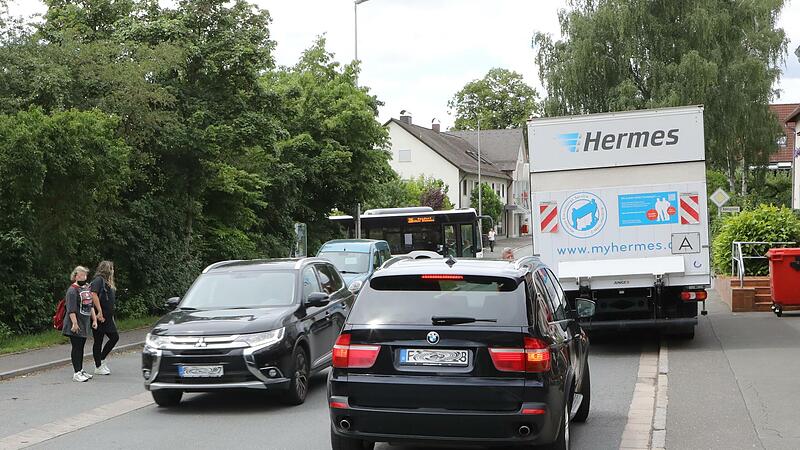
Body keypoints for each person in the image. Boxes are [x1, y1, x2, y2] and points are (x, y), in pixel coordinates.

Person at [62, 266, 97, 382]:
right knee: (76, 347)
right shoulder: (72, 291)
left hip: (84, 322)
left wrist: (94, 320)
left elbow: (90, 305)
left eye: (85, 275)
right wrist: (75, 323)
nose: (84, 277)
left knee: (81, 347)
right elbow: (70, 309)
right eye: (81, 275)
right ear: (75, 276)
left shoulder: (86, 289)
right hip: (75, 323)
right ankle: (76, 372)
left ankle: (81, 370)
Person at [91, 260, 119, 375]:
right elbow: (93, 294)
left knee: (114, 337)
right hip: (99, 316)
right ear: (107, 270)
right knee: (99, 340)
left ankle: (101, 359)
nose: (113, 271)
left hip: (107, 317)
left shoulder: (107, 282)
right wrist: (99, 311)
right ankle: (98, 365)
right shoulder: (98, 280)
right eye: (111, 268)